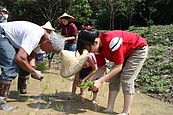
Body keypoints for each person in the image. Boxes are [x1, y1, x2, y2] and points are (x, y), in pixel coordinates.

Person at [76, 29, 148, 115]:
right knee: (113, 78)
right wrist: (90, 79)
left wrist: (100, 81)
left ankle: (126, 111)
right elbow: (102, 68)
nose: (88, 51)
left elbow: (118, 67)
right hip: (125, 53)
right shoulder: (97, 49)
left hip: (137, 49)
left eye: (88, 48)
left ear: (95, 42)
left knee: (126, 78)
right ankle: (109, 108)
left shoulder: (112, 41)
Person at [0, 21, 64, 111]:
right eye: (51, 50)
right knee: (11, 65)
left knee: (26, 66)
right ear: (48, 42)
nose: (48, 52)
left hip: (12, 40)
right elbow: (20, 58)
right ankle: (1, 102)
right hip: (2, 34)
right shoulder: (35, 35)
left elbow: (29, 59)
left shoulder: (41, 42)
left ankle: (22, 91)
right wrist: (33, 72)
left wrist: (32, 70)